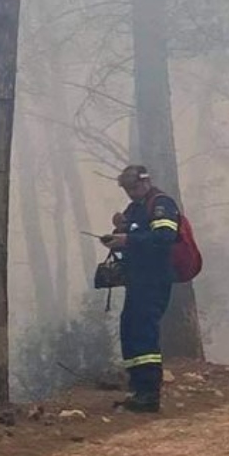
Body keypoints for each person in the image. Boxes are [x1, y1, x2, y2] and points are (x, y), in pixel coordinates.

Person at [100, 165, 180, 413]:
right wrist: (118, 231)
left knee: (145, 333)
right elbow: (129, 237)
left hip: (154, 280)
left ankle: (149, 393)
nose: (131, 194)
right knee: (130, 330)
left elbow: (164, 237)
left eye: (134, 187)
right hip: (137, 280)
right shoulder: (135, 209)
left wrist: (129, 239)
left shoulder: (162, 204)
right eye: (127, 190)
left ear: (145, 182)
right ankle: (136, 389)